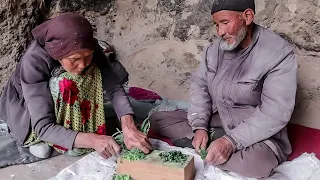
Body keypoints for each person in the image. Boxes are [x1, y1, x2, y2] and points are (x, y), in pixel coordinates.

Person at [149, 0, 297, 178]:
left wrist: (231, 141)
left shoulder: (278, 53)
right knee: (156, 120)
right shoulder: (214, 50)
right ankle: (210, 141)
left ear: (247, 16)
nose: (220, 32)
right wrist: (199, 127)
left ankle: (212, 148)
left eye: (225, 23)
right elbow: (200, 86)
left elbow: (275, 112)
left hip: (256, 134)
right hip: (220, 120)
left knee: (257, 165)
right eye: (216, 25)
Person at [0, 12, 152, 159]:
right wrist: (94, 140)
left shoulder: (88, 47)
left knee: (92, 70)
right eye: (74, 59)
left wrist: (128, 126)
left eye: (87, 56)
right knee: (65, 81)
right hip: (27, 110)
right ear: (57, 54)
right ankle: (39, 139)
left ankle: (73, 130)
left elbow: (113, 86)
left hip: (61, 103)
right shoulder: (34, 61)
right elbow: (43, 126)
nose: (82, 64)